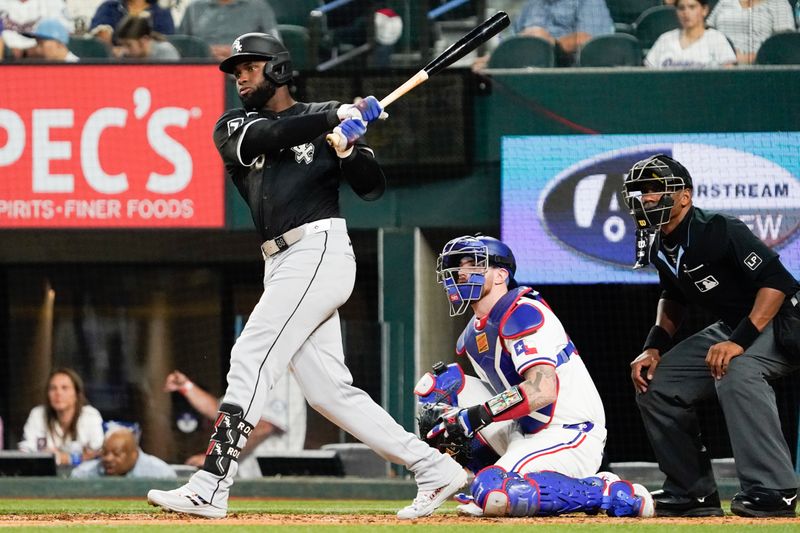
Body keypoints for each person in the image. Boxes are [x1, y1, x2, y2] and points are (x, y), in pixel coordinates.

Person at [146, 32, 467, 520]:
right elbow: (267, 138)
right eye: (237, 71)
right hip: (280, 262)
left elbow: (372, 189)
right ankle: (433, 468)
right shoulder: (236, 125)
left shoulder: (327, 119)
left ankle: (212, 483)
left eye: (249, 67)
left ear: (277, 68)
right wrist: (333, 117)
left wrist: (348, 151)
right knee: (329, 393)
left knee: (251, 355)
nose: (241, 78)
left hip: (318, 249)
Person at [420, 234, 653, 518]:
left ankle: (608, 492)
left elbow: (541, 391)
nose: (461, 272)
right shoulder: (472, 333)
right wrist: (462, 419)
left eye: (472, 264)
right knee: (438, 389)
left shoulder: (524, 313)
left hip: (570, 432)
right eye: (457, 266)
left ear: (500, 275)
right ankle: (493, 478)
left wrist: (474, 417)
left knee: (495, 491)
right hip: (525, 429)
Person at [622, 154, 800, 517]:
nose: (648, 197)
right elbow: (673, 296)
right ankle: (692, 493)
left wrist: (738, 341)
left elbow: (777, 283)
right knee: (656, 383)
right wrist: (652, 347)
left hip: (786, 319)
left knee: (736, 369)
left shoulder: (718, 228)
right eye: (642, 191)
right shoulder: (659, 243)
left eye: (658, 189)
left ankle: (776, 490)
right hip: (737, 323)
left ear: (685, 196)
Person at [163, 369, 306, 478]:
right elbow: (221, 413)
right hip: (248, 476)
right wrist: (186, 386)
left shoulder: (282, 378)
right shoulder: (255, 377)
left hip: (274, 477)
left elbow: (263, 428)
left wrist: (218, 456)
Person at [473, 0, 614, 68]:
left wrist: (548, 43)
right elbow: (510, 43)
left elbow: (590, 40)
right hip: (523, 76)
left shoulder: (587, 1)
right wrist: (492, 60)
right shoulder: (532, 5)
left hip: (566, 78)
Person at [18, 368, 104, 465]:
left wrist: (62, 458)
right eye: (53, 388)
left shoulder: (90, 415)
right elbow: (25, 451)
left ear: (76, 394)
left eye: (65, 388)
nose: (58, 393)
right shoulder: (37, 414)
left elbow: (98, 453)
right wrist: (79, 457)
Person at [177, 0, 278, 62]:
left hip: (244, 67)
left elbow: (274, 46)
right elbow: (181, 46)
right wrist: (205, 51)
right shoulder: (194, 7)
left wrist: (238, 51)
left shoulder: (259, 7)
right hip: (203, 69)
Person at [646, 0, 736, 68]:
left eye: (692, 7)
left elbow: (729, 78)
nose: (686, 13)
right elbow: (647, 75)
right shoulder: (665, 39)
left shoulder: (717, 39)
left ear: (704, 10)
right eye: (681, 8)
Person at [707, 0, 795, 64]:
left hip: (761, 67)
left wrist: (746, 59)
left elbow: (784, 45)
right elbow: (705, 31)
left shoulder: (779, 3)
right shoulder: (724, 2)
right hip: (720, 66)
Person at [71, 427, 177, 479]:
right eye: (104, 452)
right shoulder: (84, 474)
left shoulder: (161, 473)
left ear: (134, 454)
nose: (108, 458)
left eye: (116, 454)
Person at [0, 0, 71, 59]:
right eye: (39, 44)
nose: (39, 48)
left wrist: (25, 52)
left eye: (40, 44)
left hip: (41, 58)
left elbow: (58, 44)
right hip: (8, 58)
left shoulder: (53, 3)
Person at [89, 0, 174, 46]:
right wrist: (102, 32)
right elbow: (96, 32)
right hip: (111, 66)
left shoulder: (162, 13)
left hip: (151, 66)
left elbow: (165, 41)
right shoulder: (109, 7)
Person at [114, 14, 179, 60]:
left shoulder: (166, 53)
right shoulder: (125, 56)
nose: (124, 51)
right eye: (121, 45)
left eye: (129, 45)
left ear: (144, 40)